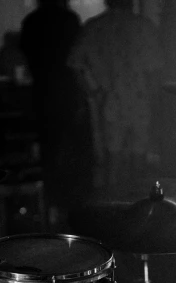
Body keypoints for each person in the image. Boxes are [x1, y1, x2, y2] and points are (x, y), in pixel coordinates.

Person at [67, 0, 164, 190]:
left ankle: (112, 211)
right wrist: (155, 101)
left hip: (108, 102)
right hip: (140, 102)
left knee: (111, 164)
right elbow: (156, 71)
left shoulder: (95, 27)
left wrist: (93, 91)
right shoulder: (143, 26)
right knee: (138, 162)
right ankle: (136, 208)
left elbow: (74, 64)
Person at [20, 0, 82, 226]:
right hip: (66, 92)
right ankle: (73, 206)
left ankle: (52, 205)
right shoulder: (69, 20)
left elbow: (27, 55)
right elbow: (77, 58)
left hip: (43, 93)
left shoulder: (32, 21)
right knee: (74, 149)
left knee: (49, 151)